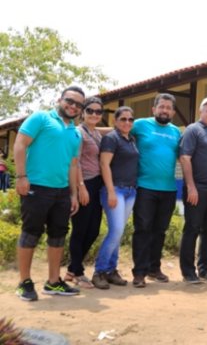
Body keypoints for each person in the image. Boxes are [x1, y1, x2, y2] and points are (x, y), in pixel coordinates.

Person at [13, 86, 85, 301]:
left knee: (58, 234)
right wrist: (21, 176)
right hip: (36, 186)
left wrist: (73, 194)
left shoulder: (75, 132)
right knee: (30, 233)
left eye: (78, 104)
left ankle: (53, 282)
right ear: (60, 99)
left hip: (62, 192)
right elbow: (19, 144)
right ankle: (24, 282)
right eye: (69, 101)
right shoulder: (41, 118)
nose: (73, 106)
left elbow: (73, 166)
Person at [131, 93, 181, 288]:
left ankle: (154, 268)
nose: (165, 110)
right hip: (145, 187)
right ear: (154, 109)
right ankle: (139, 272)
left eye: (168, 108)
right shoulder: (140, 125)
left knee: (160, 231)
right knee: (143, 229)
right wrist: (85, 129)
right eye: (162, 107)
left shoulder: (176, 131)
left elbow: (182, 157)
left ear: (173, 112)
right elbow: (119, 131)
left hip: (168, 188)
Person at [179, 97, 207, 284]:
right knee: (192, 229)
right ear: (201, 112)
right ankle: (188, 271)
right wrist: (191, 186)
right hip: (197, 190)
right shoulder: (193, 130)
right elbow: (184, 158)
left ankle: (205, 268)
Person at [92, 106, 140, 289]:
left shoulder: (132, 139)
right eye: (123, 119)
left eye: (130, 119)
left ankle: (111, 270)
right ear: (115, 121)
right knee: (116, 230)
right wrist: (111, 191)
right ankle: (99, 271)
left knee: (118, 233)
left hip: (130, 191)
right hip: (115, 190)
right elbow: (104, 164)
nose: (127, 122)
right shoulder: (112, 138)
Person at [65, 97, 105, 289]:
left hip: (97, 184)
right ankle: (78, 273)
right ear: (83, 112)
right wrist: (80, 187)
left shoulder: (96, 132)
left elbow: (107, 131)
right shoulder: (78, 133)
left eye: (98, 112)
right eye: (90, 111)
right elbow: (76, 161)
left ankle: (72, 268)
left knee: (94, 230)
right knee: (80, 229)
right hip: (84, 183)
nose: (94, 114)